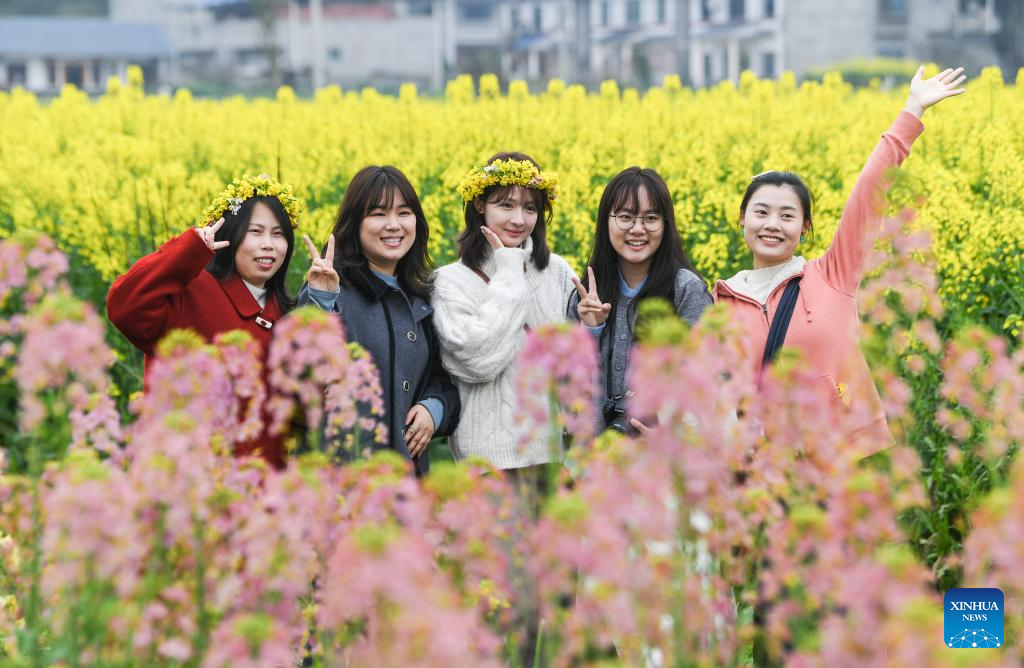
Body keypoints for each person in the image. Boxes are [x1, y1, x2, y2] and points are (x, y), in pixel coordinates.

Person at [713, 65, 967, 456]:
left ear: (805, 227)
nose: (772, 225)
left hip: (850, 462)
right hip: (769, 477)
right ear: (742, 219)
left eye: (787, 215)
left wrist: (912, 110)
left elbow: (869, 195)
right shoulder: (721, 301)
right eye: (761, 212)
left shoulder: (832, 275)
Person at [108, 173, 302, 467]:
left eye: (278, 235)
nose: (268, 245)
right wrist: (189, 250)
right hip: (187, 487)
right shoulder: (191, 292)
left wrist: (324, 300)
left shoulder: (286, 311)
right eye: (255, 232)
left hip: (261, 492)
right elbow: (125, 305)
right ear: (231, 235)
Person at [298, 165, 460, 476]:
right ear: (355, 223)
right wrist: (320, 300)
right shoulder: (331, 289)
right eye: (378, 214)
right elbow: (303, 368)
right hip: (341, 485)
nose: (394, 225)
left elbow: (444, 382)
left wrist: (433, 410)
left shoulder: (421, 299)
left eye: (404, 212)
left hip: (405, 486)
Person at [431, 152, 577, 472]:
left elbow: (576, 368)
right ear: (480, 205)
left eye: (530, 208)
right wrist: (509, 268)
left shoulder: (557, 272)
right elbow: (479, 362)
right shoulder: (448, 282)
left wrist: (592, 327)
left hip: (552, 461)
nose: (519, 220)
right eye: (506, 205)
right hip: (486, 468)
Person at [569, 167, 712, 434]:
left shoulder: (686, 291)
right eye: (625, 217)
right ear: (606, 221)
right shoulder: (587, 293)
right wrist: (590, 330)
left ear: (665, 224)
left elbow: (704, 381)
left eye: (650, 218)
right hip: (591, 461)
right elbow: (567, 384)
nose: (637, 229)